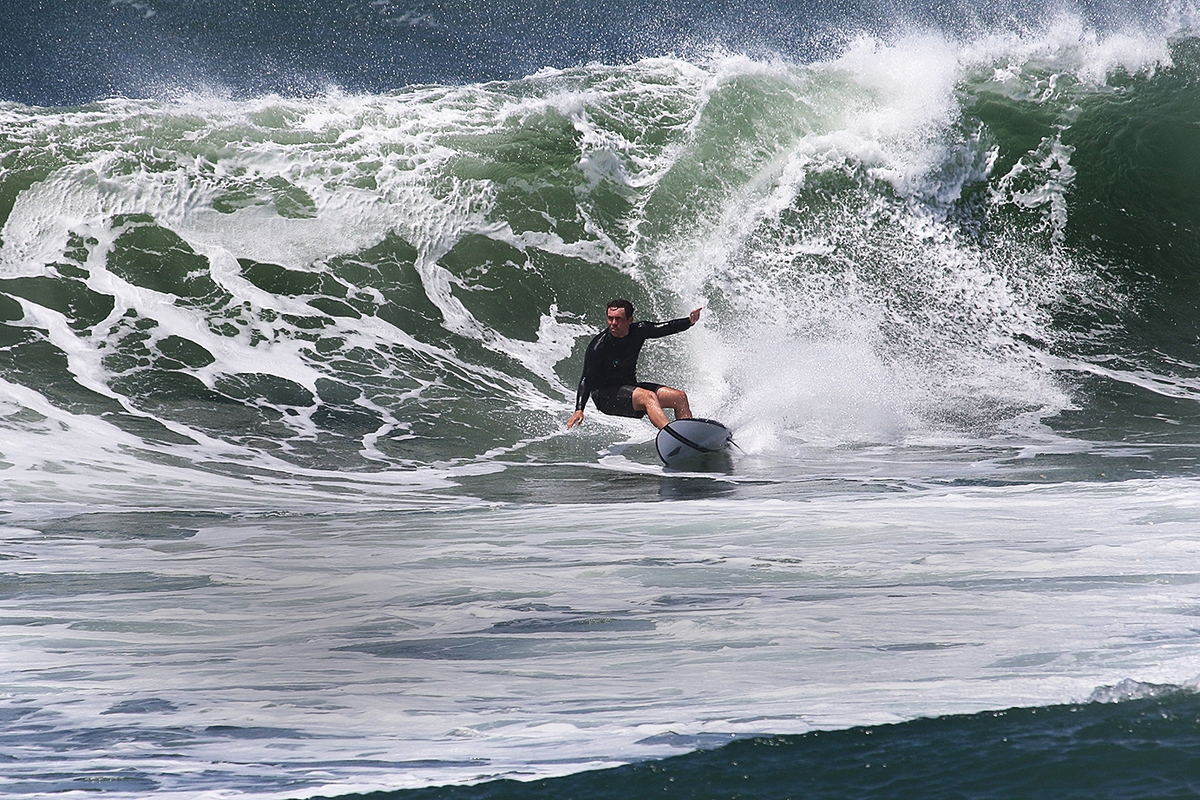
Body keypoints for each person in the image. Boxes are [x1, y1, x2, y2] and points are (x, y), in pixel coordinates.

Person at [566, 299, 702, 430]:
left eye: (618, 319)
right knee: (649, 397)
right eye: (610, 318)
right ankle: (672, 435)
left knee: (679, 397)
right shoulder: (598, 346)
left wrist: (689, 321)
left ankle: (688, 436)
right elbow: (586, 379)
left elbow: (666, 327)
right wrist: (579, 409)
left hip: (630, 387)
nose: (613, 323)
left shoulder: (639, 330)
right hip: (605, 396)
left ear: (630, 320)